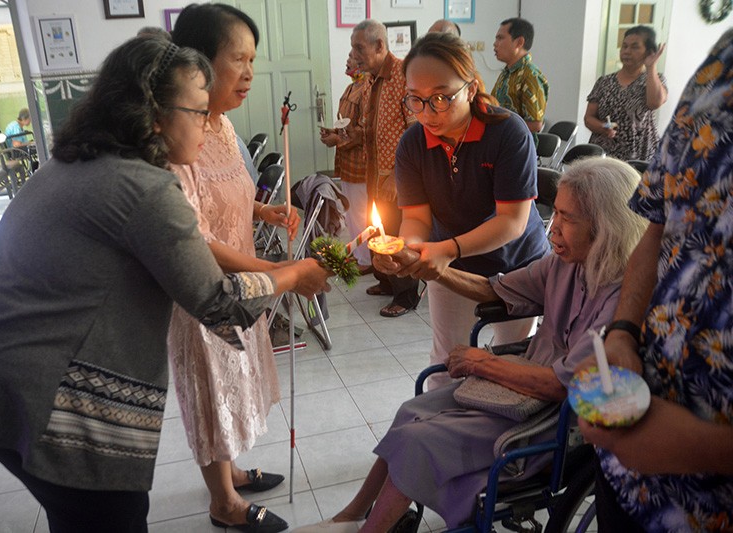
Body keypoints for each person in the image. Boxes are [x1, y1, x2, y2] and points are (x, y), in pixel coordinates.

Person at [0, 36, 330, 533]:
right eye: (198, 112)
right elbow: (216, 303)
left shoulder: (77, 162)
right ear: (154, 115)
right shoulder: (145, 187)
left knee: (78, 515)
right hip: (35, 387)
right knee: (110, 517)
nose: (207, 124)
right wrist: (294, 273)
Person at [294, 157, 649, 532]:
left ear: (605, 227)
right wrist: (429, 267)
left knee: (419, 440)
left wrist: (481, 363)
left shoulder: (623, 300)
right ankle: (350, 515)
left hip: (554, 417)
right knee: (411, 411)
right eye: (555, 212)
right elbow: (495, 289)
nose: (553, 227)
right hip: (519, 385)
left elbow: (560, 386)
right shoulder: (564, 264)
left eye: (567, 218)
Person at [580, 29, 733, 532]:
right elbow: (658, 225)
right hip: (631, 474)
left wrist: (708, 447)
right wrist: (624, 332)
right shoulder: (720, 63)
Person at [170, 4, 300, 532]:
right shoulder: (177, 134)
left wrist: (264, 211)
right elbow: (194, 234)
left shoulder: (221, 125)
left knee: (234, 384)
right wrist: (273, 270)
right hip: (204, 293)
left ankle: (233, 475)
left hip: (240, 287)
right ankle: (222, 502)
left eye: (253, 60)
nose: (249, 73)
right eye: (238, 59)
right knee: (211, 391)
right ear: (199, 63)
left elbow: (228, 194)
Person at [385, 32, 549, 389]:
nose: (427, 112)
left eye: (441, 98)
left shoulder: (508, 133)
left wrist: (447, 249)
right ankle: (441, 421)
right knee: (447, 361)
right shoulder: (413, 144)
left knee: (511, 363)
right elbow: (416, 218)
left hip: (516, 264)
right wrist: (406, 249)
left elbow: (511, 222)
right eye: (415, 99)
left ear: (471, 89)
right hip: (451, 265)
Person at [350, 19, 420, 317]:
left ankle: (406, 295)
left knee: (396, 235)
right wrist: (344, 136)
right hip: (374, 174)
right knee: (378, 229)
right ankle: (387, 281)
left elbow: (416, 131)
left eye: (359, 48)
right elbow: (369, 129)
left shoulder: (403, 75)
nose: (354, 55)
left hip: (396, 177)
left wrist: (396, 175)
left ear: (380, 45)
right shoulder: (369, 79)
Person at [584, 25, 667, 161]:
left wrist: (651, 67)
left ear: (648, 51)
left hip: (639, 154)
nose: (627, 51)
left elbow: (654, 103)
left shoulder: (654, 79)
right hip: (604, 154)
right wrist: (604, 127)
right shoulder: (604, 82)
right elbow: (589, 118)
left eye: (635, 47)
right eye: (624, 46)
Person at [320, 52, 371, 272]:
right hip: (348, 163)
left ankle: (367, 260)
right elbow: (348, 126)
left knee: (361, 213)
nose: (347, 61)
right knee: (352, 213)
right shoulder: (352, 88)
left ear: (362, 63)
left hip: (360, 165)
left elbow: (364, 132)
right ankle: (359, 253)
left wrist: (337, 140)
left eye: (352, 57)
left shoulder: (367, 89)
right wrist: (333, 133)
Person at [491, 18, 548, 134]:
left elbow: (535, 124)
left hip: (516, 142)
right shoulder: (506, 73)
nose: (495, 43)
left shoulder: (531, 75)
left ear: (519, 42)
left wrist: (500, 128)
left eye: (500, 38)